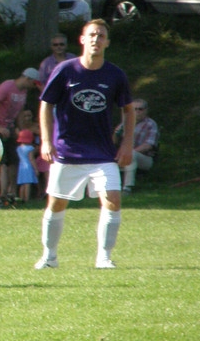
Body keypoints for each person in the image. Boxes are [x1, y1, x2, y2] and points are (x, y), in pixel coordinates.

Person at [35, 19, 134, 270]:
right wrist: (46, 140)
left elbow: (128, 110)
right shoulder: (65, 70)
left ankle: (104, 258)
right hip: (67, 151)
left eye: (101, 36)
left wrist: (126, 143)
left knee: (113, 199)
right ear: (82, 39)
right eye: (91, 35)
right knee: (56, 203)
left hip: (102, 153)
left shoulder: (115, 74)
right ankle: (49, 258)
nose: (96, 39)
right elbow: (46, 104)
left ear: (107, 42)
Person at [0, 68, 41, 197]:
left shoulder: (24, 91)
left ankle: (11, 193)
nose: (34, 87)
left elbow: (19, 112)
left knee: (13, 160)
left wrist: (21, 130)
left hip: (9, 127)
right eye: (34, 83)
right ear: (27, 79)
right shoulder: (7, 86)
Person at [116, 98, 159, 193]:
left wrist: (128, 154)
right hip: (124, 156)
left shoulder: (150, 124)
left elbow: (149, 145)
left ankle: (127, 188)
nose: (137, 111)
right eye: (134, 109)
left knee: (131, 155)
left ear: (146, 110)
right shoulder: (125, 123)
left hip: (145, 158)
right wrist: (116, 132)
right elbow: (114, 141)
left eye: (140, 109)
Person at [15, 129, 38, 203]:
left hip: (21, 167)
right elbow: (31, 159)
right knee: (28, 183)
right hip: (28, 167)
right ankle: (27, 199)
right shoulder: (30, 148)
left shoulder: (18, 148)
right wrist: (36, 169)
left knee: (22, 184)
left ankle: (21, 198)